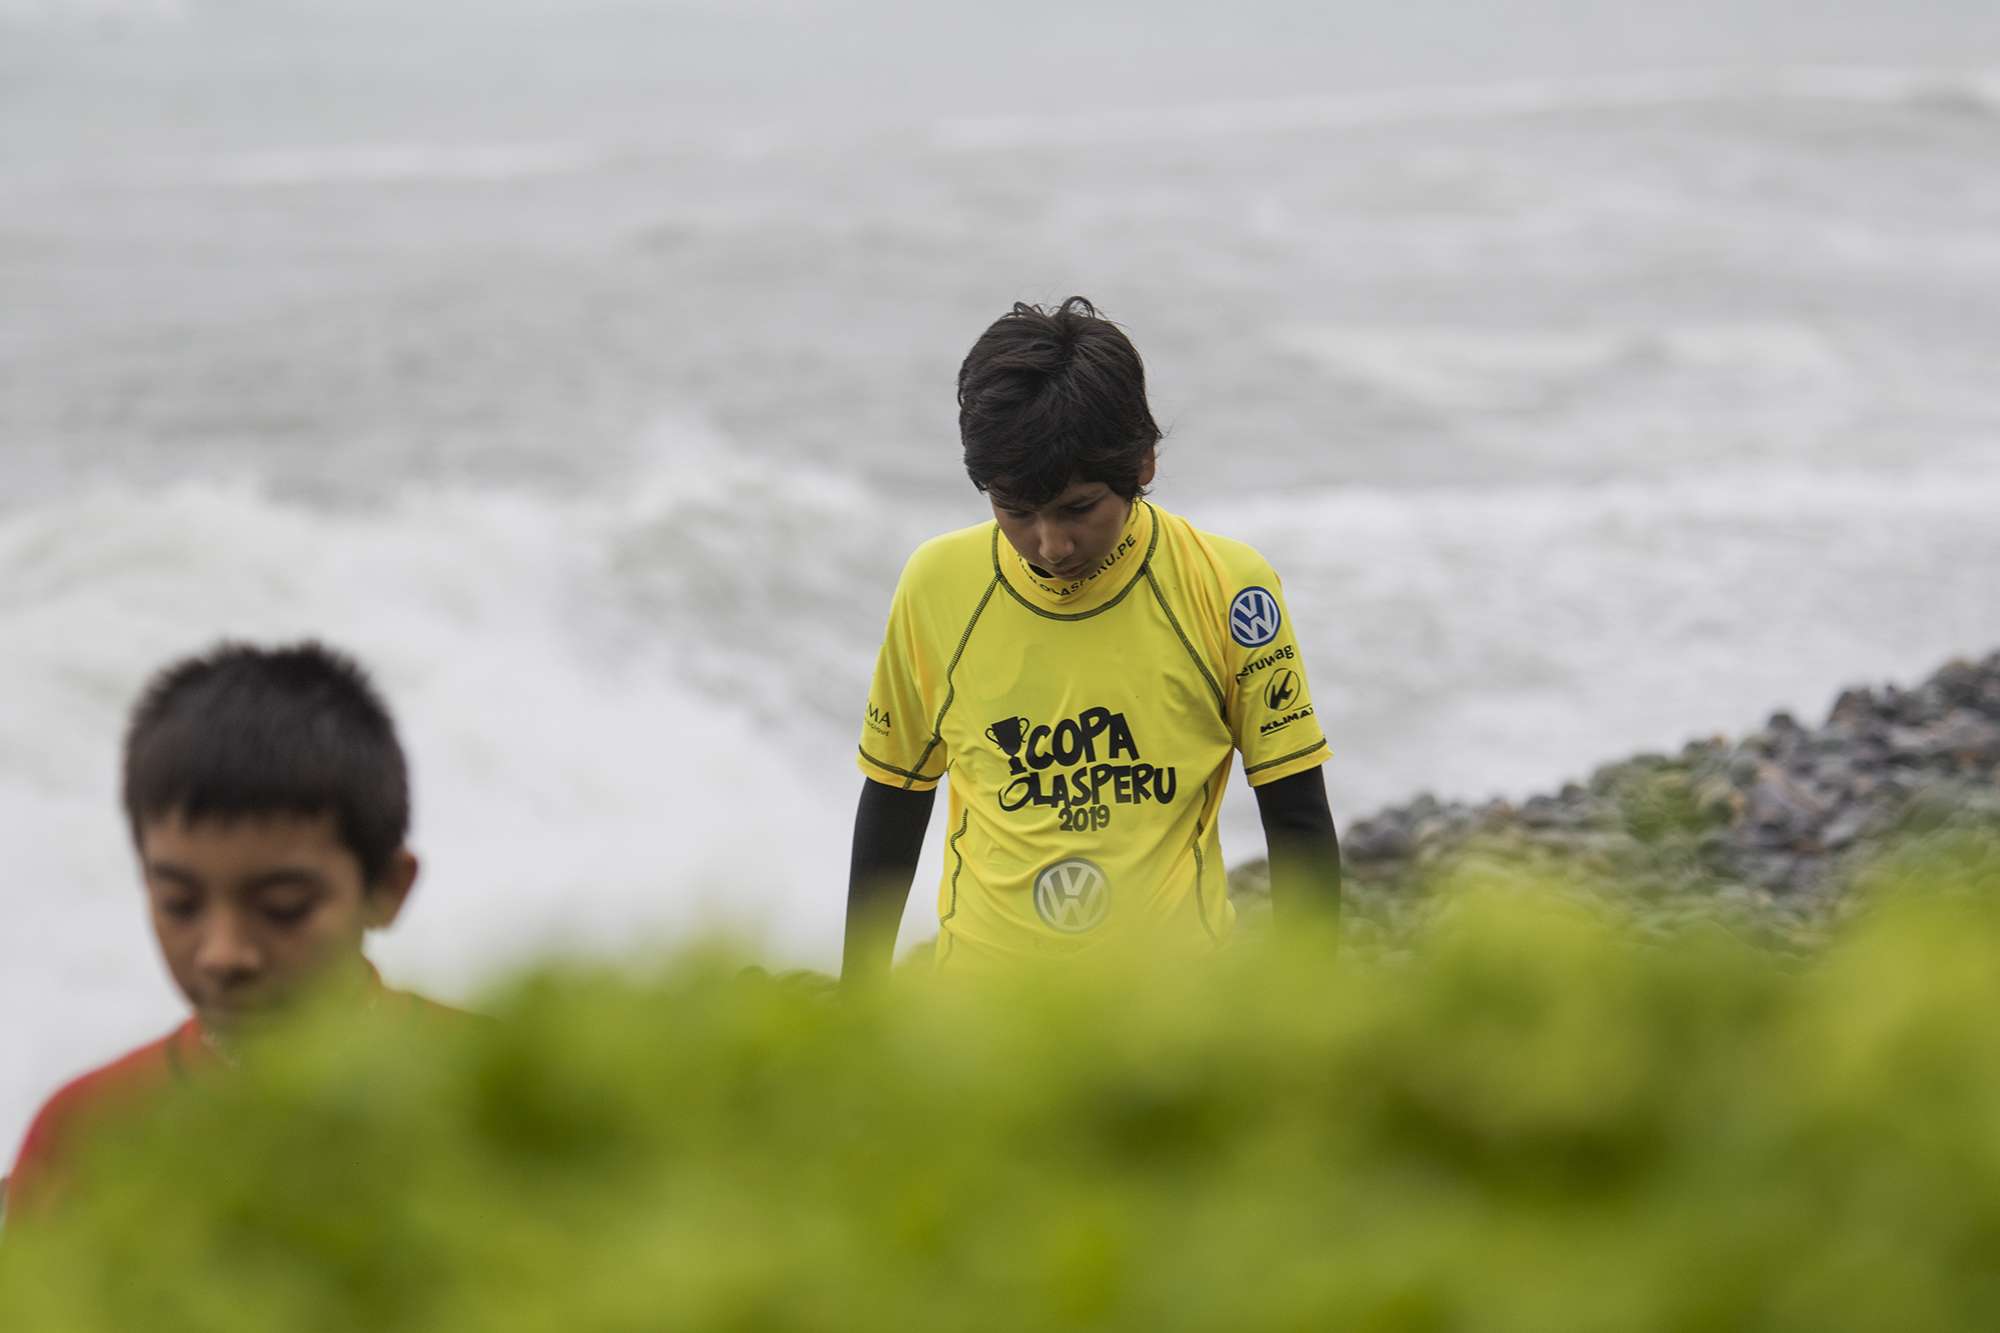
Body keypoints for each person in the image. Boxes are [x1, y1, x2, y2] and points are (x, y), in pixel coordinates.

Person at [845, 297, 1341, 980]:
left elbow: (1295, 813)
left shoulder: (1228, 587)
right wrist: (859, 996)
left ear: (1144, 464)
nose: (1051, 544)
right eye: (1015, 510)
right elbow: (897, 795)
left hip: (1174, 999)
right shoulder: (936, 584)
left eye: (1078, 508)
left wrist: (1312, 1011)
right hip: (979, 1004)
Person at [4, 642, 447, 1224]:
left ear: (387, 889)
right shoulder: (81, 1135)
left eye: (283, 908)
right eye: (180, 904)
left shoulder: (510, 1093)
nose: (224, 954)